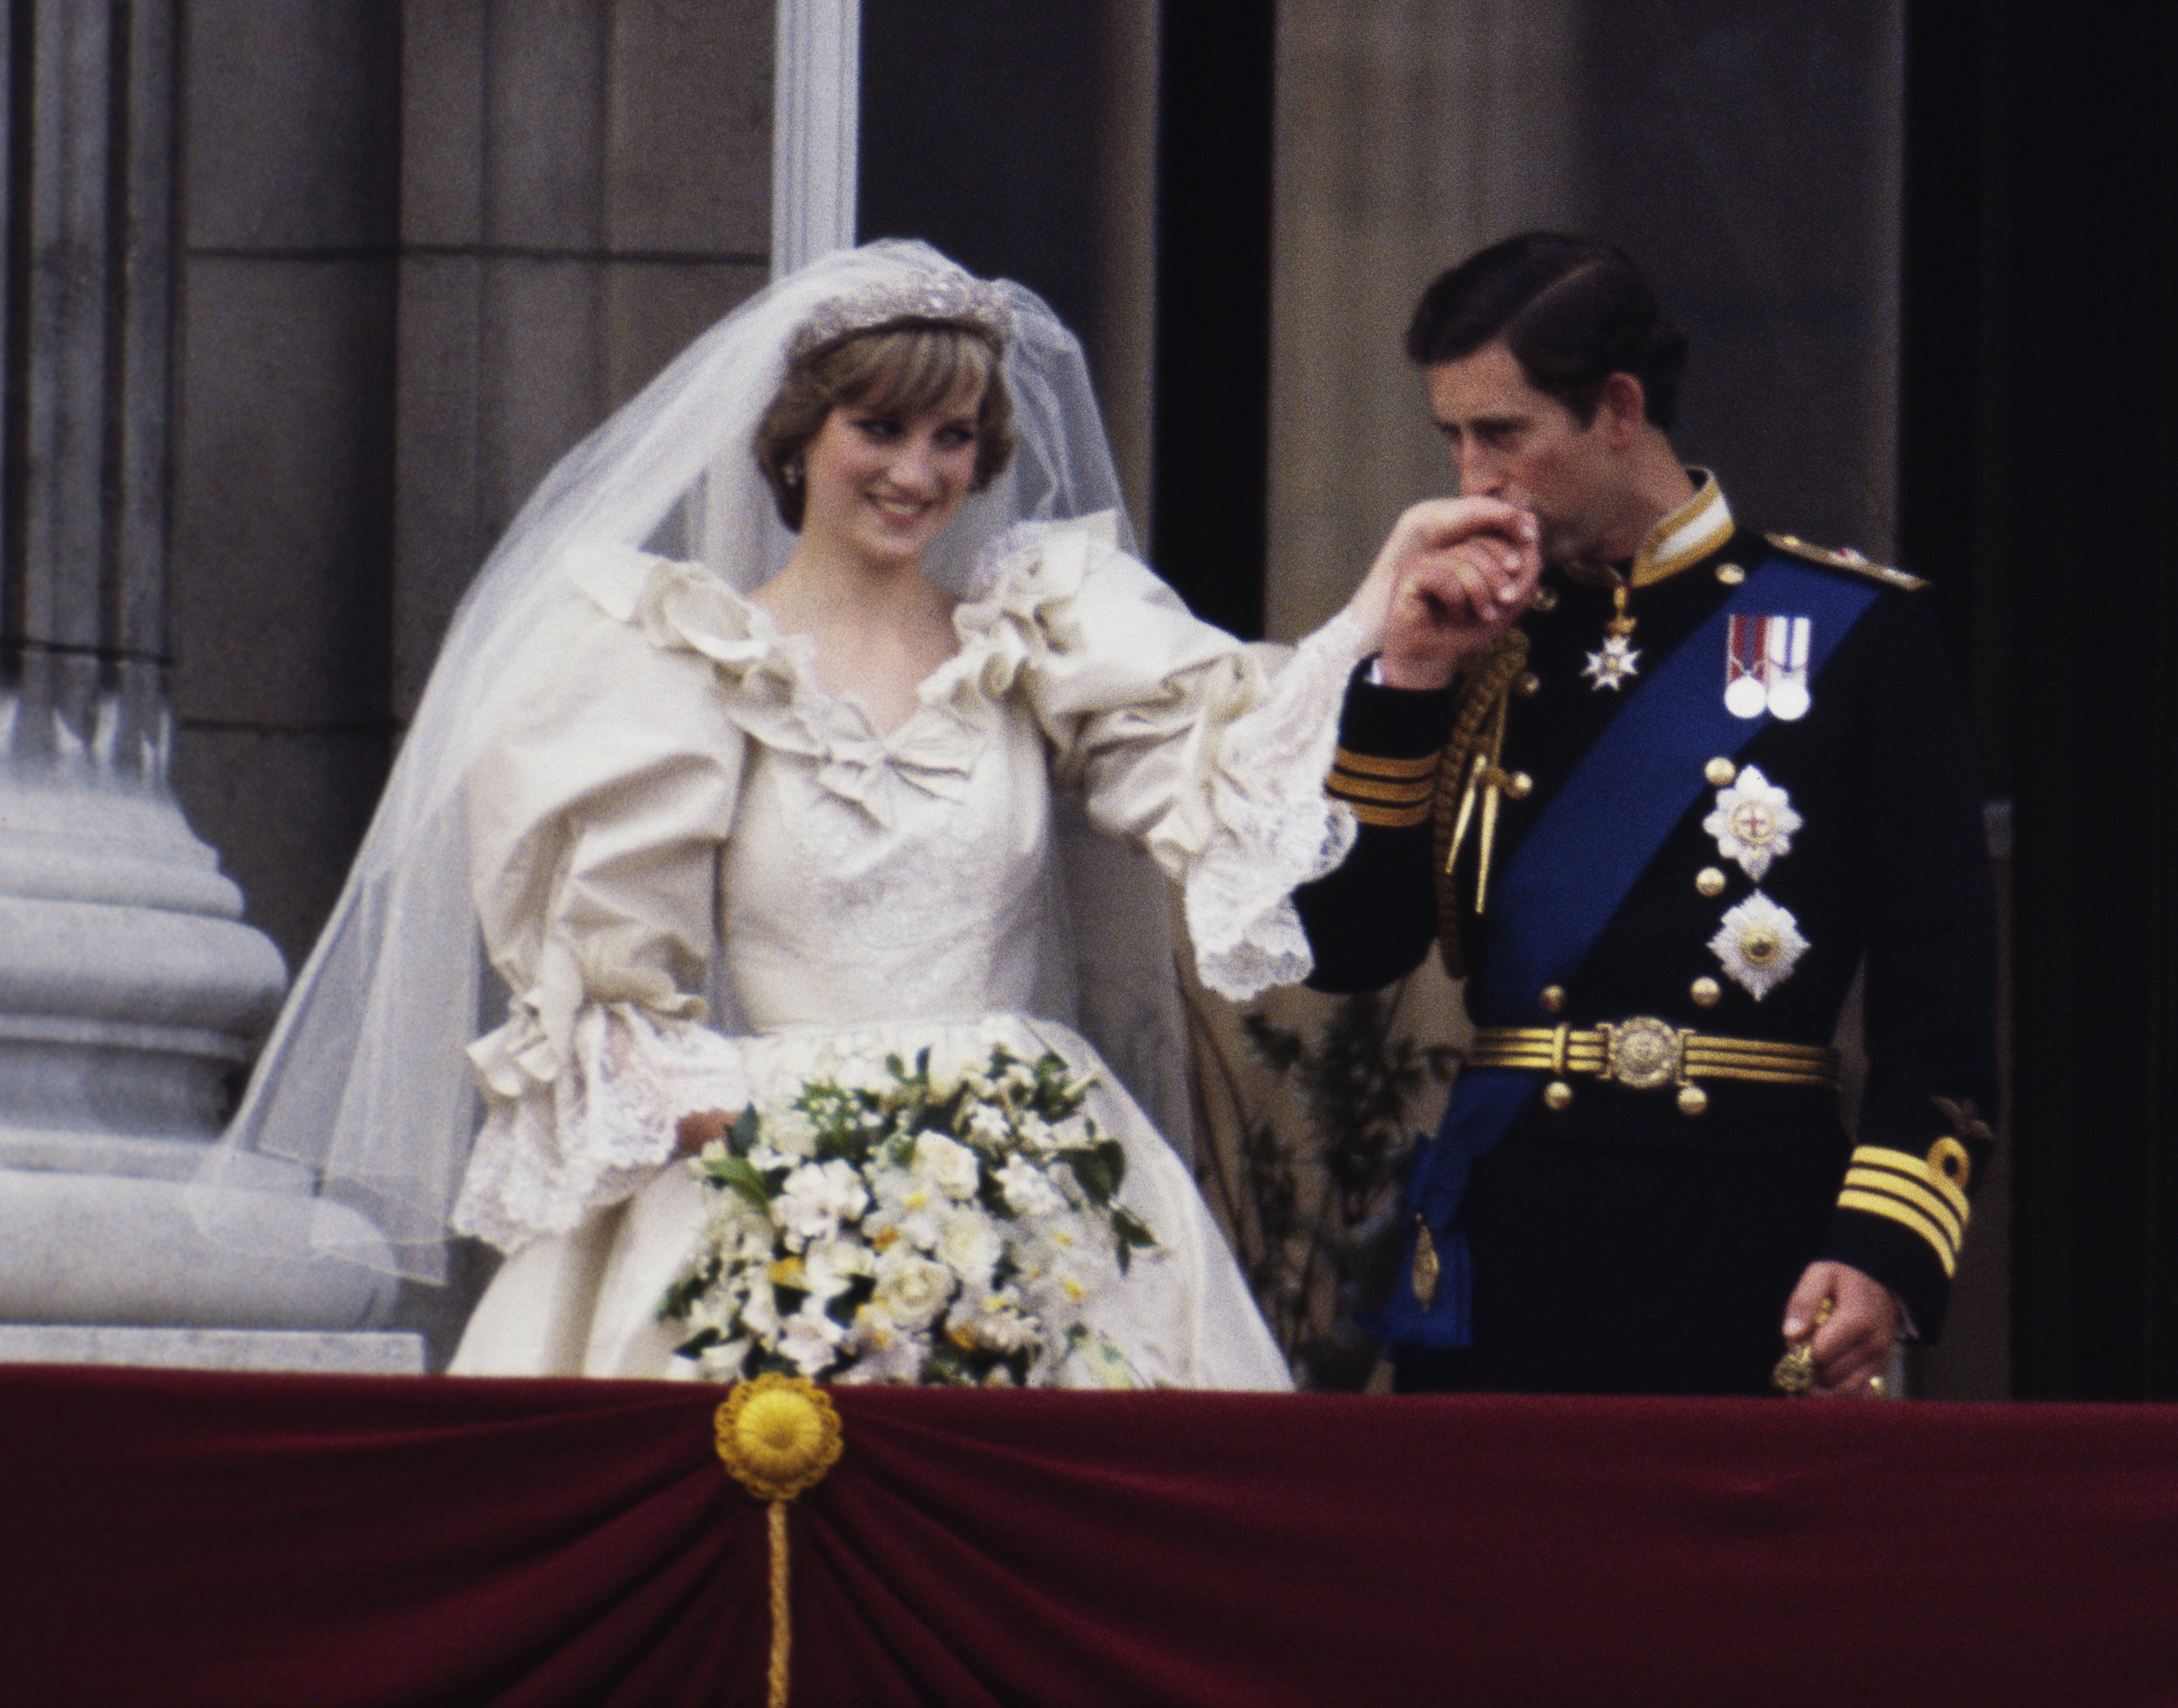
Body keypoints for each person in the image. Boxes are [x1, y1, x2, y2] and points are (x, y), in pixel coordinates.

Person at [200, 240, 1519, 1389]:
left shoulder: (1038, 633)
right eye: (878, 430)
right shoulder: (676, 661)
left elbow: (1230, 772)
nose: (917, 471)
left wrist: (1371, 630)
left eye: (952, 437)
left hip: (1037, 1179)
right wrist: (819, 1174)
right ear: (796, 438)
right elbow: (614, 1006)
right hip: (772, 1184)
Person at [1294, 233, 2000, 1397]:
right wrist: (1405, 685)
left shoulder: (1858, 633)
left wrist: (1879, 1246)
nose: (1471, 477)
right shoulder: (1465, 637)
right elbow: (1344, 948)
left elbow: (1944, 1007)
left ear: (1617, 408)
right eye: (1454, 438)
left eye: (1502, 433)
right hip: (1511, 1229)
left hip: (1750, 1232)